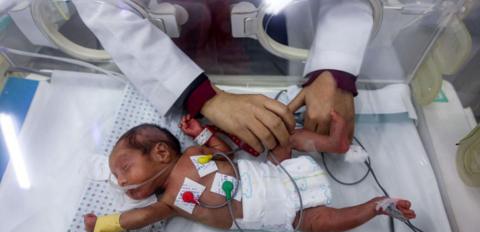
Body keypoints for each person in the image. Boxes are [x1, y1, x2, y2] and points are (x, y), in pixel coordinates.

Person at [72, 0, 373, 154]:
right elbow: (101, 6)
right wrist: (200, 95)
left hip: (276, 29)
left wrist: (335, 67)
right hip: (172, 45)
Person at [83, 118, 415, 232]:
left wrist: (203, 133)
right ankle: (376, 207)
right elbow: (140, 217)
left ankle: (334, 143)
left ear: (160, 152)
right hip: (277, 212)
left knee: (283, 136)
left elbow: (223, 151)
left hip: (277, 170)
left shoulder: (193, 154)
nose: (120, 178)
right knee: (319, 221)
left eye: (124, 166)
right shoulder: (170, 202)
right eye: (116, 175)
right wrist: (106, 224)